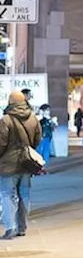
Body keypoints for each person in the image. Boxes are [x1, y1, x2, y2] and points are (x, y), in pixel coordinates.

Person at [0, 91, 43, 239]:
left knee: (7, 194)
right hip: (26, 164)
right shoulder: (33, 118)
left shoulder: (6, 120)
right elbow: (38, 139)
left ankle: (10, 226)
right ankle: (22, 227)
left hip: (8, 165)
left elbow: (1, 143)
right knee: (24, 194)